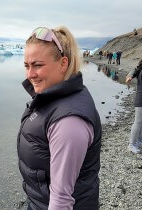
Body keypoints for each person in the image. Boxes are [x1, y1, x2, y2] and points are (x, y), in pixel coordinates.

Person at [17, 26, 102, 210]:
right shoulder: (54, 98)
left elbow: (61, 200)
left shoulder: (68, 122)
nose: (30, 74)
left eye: (38, 65)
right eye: (27, 65)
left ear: (63, 64)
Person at [126, 59, 142, 153]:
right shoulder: (140, 69)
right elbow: (134, 70)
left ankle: (139, 141)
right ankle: (131, 145)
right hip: (140, 99)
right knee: (138, 122)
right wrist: (130, 76)